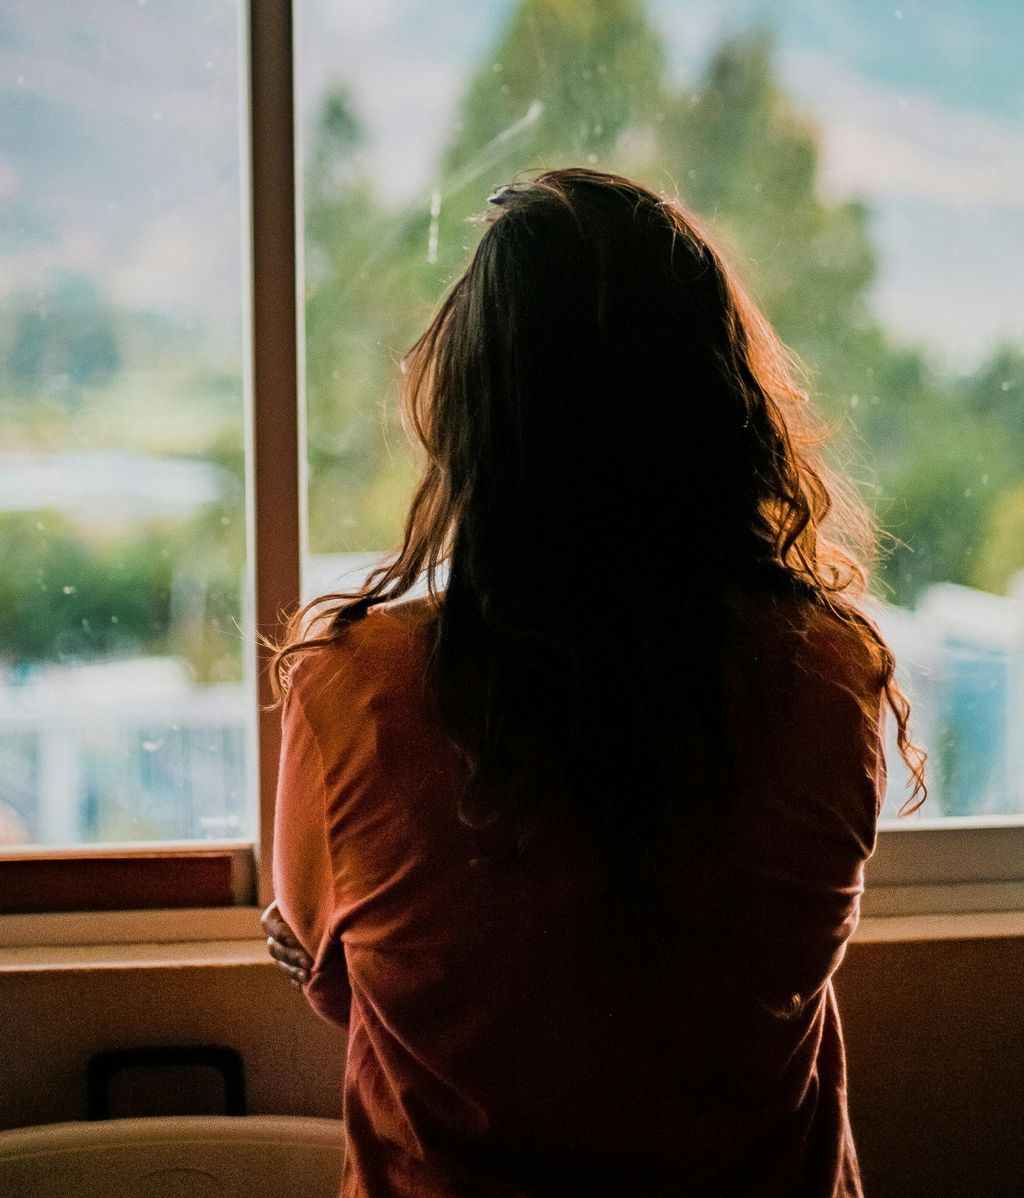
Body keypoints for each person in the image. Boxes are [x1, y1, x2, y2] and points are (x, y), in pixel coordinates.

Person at [262, 168, 925, 1198]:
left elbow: (343, 979)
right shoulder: (831, 677)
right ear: (718, 408)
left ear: (477, 417)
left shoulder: (353, 690)